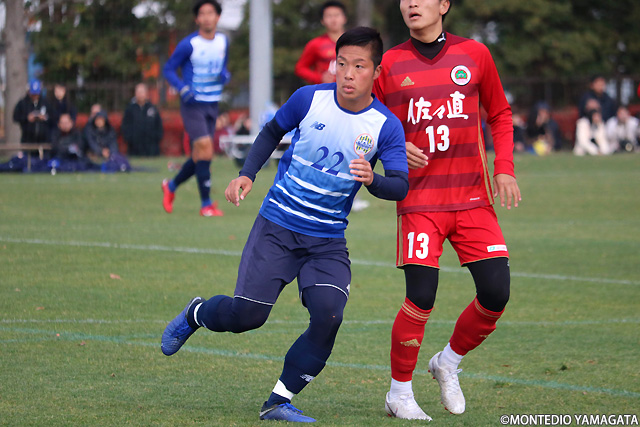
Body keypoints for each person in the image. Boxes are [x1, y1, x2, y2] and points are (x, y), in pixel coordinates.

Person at [161, 27, 409, 423]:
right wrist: (247, 174)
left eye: (359, 66)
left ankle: (278, 401)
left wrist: (372, 179)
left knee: (329, 315)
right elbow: (271, 132)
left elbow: (399, 185)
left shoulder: (386, 125)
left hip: (327, 239)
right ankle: (197, 314)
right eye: (342, 63)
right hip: (277, 227)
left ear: (376, 72)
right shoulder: (309, 99)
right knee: (247, 317)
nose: (348, 74)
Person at [373, 0, 521, 420]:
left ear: (443, 5)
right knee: (421, 296)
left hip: (473, 198)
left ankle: (448, 362)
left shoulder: (475, 54)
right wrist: (394, 146)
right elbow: (366, 120)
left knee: (496, 293)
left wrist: (504, 168)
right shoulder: (389, 64)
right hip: (420, 201)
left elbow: (500, 113)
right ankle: (399, 394)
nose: (411, 3)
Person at [161, 0, 230, 217]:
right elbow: (168, 69)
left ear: (218, 17)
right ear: (196, 19)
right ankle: (206, 205)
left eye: (211, 13)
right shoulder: (189, 44)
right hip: (193, 105)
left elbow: (223, 67)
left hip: (213, 103)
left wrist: (225, 75)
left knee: (200, 155)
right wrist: (182, 89)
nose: (207, 17)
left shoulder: (223, 41)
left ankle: (171, 186)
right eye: (202, 13)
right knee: (206, 150)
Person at [295, 1, 348, 85]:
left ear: (344, 18)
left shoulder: (355, 43)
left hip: (351, 89)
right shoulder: (315, 44)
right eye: (329, 16)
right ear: (322, 20)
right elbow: (300, 68)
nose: (333, 19)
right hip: (326, 89)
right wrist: (319, 78)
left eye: (337, 15)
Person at [121, 83, 164, 156]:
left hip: (151, 149)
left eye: (142, 92)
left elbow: (158, 126)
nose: (140, 94)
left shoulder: (152, 108)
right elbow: (125, 126)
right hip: (134, 149)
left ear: (146, 93)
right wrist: (129, 139)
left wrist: (156, 139)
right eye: (138, 92)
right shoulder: (130, 109)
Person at [12, 79, 54, 144]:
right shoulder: (23, 103)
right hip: (27, 140)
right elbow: (15, 117)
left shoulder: (46, 102)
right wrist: (27, 118)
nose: (35, 96)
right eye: (33, 94)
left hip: (44, 140)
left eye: (37, 94)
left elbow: (53, 117)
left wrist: (44, 117)